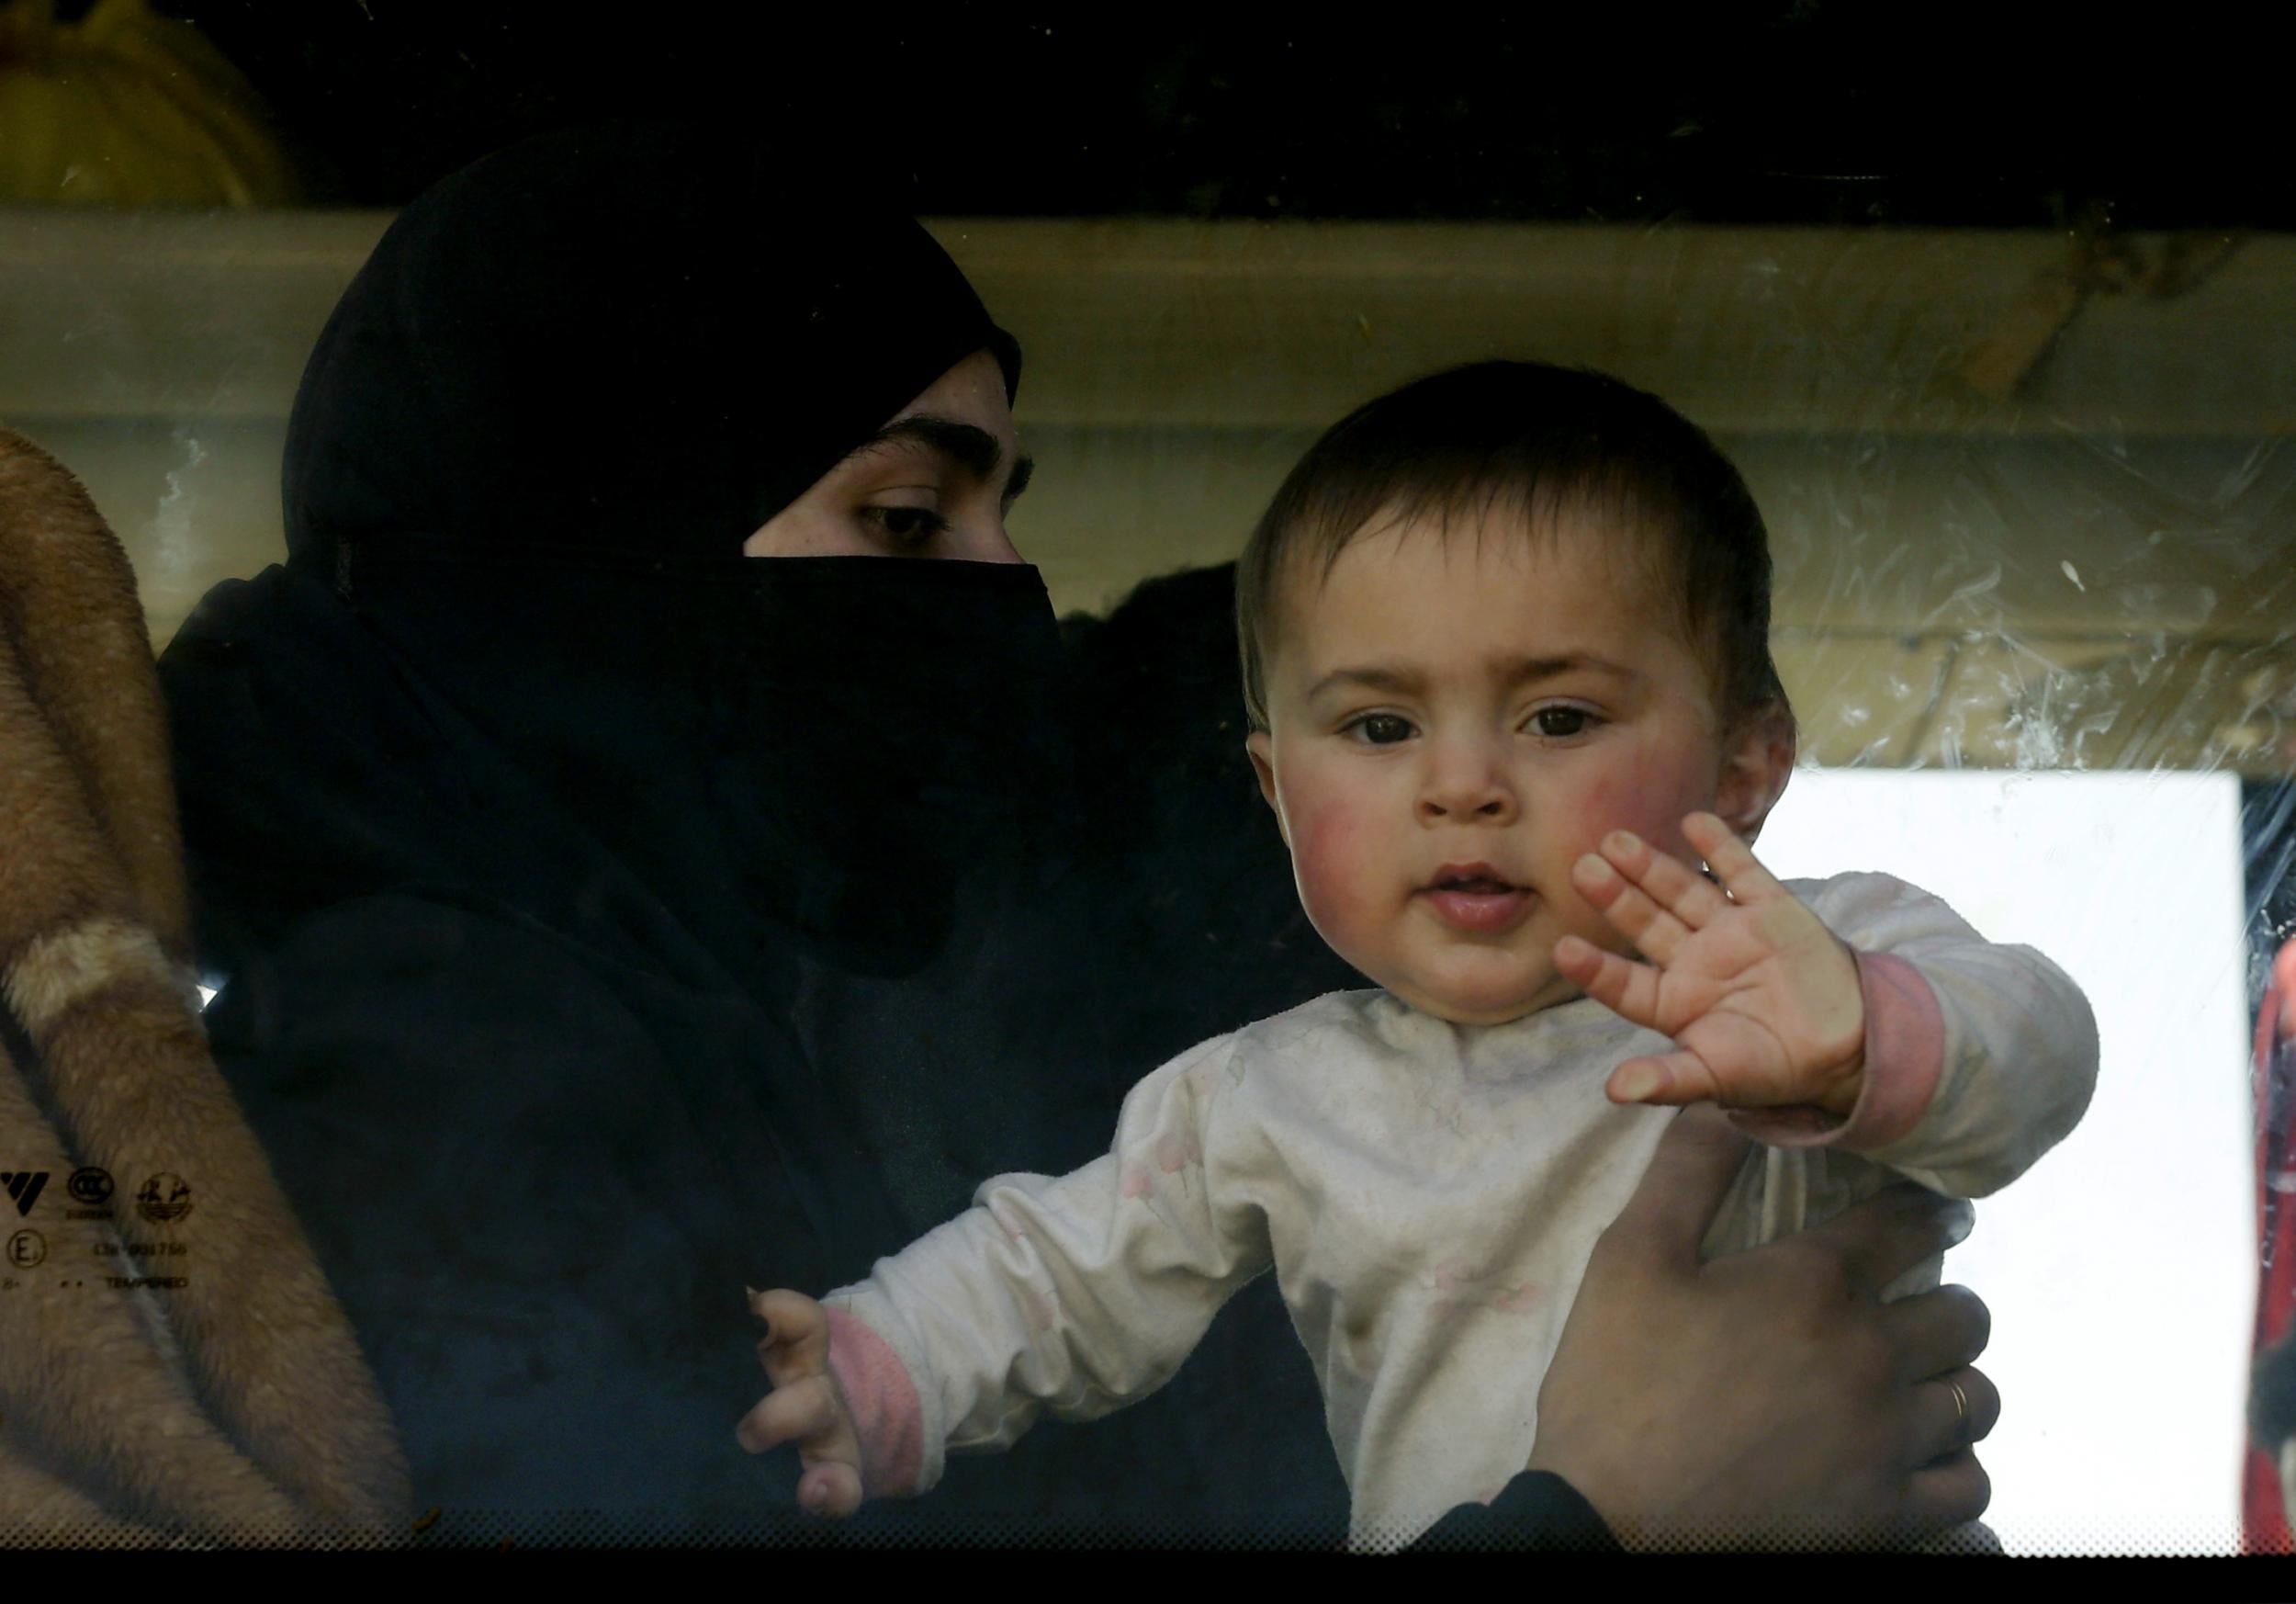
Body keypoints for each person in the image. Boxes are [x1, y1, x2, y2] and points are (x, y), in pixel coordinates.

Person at [156, 119, 2007, 1547]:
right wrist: (1610, 1508)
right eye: (901, 526)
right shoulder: (427, 1125)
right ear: (586, 563)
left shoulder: (701, 1043)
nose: (1005, 609)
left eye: (1557, 714)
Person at [739, 362, 2099, 1550]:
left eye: (1558, 715)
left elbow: (2037, 1040)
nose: (1462, 783)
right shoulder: (1272, 1093)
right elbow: (1059, 1267)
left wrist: (1865, 1037)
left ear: (1746, 761)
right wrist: (873, 1359)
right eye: (1381, 729)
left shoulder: (1800, 958)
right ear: (1273, 790)